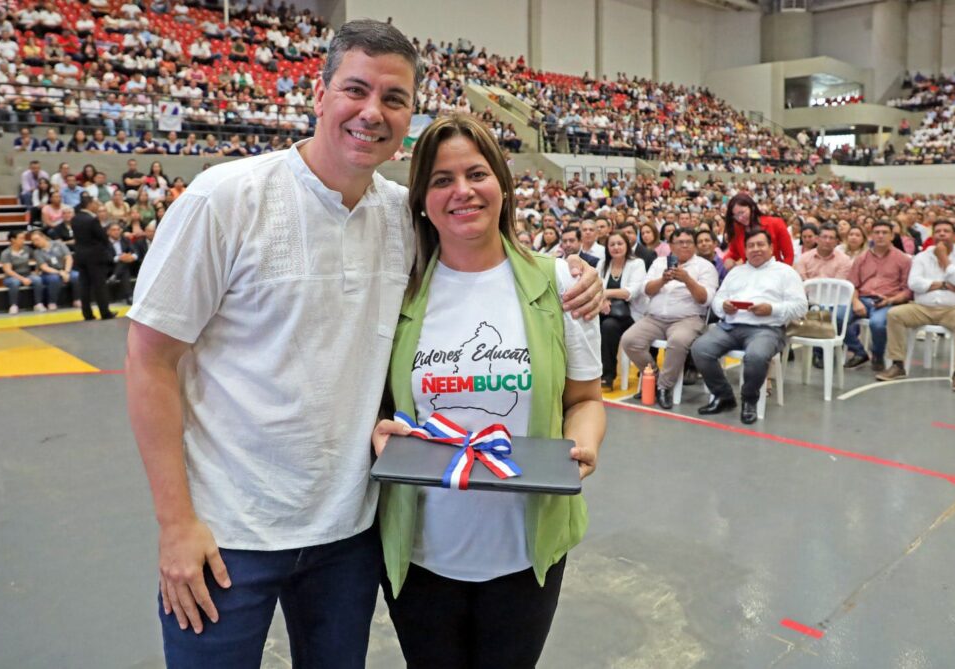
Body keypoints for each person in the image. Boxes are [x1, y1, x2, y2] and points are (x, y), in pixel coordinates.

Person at [124, 20, 602, 669]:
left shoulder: (402, 221)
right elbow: (150, 358)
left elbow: (480, 258)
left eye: (394, 98)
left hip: (349, 534)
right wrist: (175, 523)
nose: (372, 112)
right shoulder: (225, 199)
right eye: (356, 89)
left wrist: (577, 276)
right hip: (229, 531)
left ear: (408, 116)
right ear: (319, 95)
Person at [376, 112, 605, 669]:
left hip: (525, 551)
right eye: (441, 180)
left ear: (502, 184)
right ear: (422, 201)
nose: (462, 192)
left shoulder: (562, 284)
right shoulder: (393, 291)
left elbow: (586, 400)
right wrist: (377, 430)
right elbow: (374, 404)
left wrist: (582, 445)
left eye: (476, 174)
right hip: (422, 551)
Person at [691, 228, 807, 424]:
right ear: (745, 250)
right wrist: (724, 307)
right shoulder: (736, 272)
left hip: (767, 329)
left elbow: (801, 307)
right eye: (751, 246)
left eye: (761, 244)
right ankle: (724, 395)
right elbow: (718, 299)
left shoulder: (785, 272)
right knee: (700, 348)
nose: (756, 249)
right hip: (731, 326)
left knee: (756, 356)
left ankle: (749, 400)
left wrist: (772, 309)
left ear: (771, 248)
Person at [621, 227, 718, 410]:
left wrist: (688, 280)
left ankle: (664, 387)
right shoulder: (659, 263)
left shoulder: (705, 267)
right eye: (679, 242)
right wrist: (663, 280)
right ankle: (655, 377)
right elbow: (646, 290)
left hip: (687, 318)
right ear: (671, 245)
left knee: (678, 341)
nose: (684, 246)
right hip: (655, 317)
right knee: (629, 340)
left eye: (688, 242)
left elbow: (705, 299)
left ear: (695, 245)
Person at [876, 220, 955, 393]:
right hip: (923, 308)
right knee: (895, 314)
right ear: (933, 235)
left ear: (954, 235)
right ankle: (898, 364)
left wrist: (943, 259)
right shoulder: (922, 256)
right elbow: (914, 283)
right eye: (938, 231)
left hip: (954, 309)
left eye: (946, 231)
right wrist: (944, 285)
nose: (942, 234)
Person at [842, 219, 913, 371]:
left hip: (888, 301)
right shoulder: (862, 258)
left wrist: (891, 300)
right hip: (863, 299)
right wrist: (855, 301)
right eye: (877, 233)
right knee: (836, 317)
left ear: (892, 236)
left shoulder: (903, 259)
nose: (880, 236)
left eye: (884, 233)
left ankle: (877, 354)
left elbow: (908, 291)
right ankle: (859, 352)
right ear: (871, 236)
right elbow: (852, 284)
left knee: (877, 324)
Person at [598, 231, 645, 389]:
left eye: (620, 243)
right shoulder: (603, 264)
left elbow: (631, 292)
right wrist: (602, 300)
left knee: (608, 326)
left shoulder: (636, 264)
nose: (616, 247)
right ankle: (589, 372)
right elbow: (596, 288)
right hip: (604, 310)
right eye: (612, 244)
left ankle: (608, 375)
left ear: (627, 245)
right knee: (587, 323)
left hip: (630, 315)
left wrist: (605, 294)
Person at [70, 194, 115, 320]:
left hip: (80, 254)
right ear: (89, 204)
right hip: (95, 256)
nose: (96, 206)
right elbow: (102, 237)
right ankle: (105, 312)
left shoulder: (75, 219)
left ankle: (87, 313)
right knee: (99, 285)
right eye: (95, 203)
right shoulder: (92, 220)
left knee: (84, 285)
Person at [721, 193, 793, 269]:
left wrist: (783, 273)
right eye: (736, 215)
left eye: (742, 213)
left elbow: (789, 255)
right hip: (750, 274)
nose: (740, 218)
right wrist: (727, 259)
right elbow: (733, 252)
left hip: (775, 271)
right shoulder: (737, 229)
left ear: (752, 207)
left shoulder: (775, 223)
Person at [30, 229, 81, 310]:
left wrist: (66, 271)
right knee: (54, 279)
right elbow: (44, 267)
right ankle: (52, 302)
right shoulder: (37, 252)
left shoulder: (58, 244)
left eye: (37, 239)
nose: (35, 242)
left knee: (76, 276)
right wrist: (60, 273)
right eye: (33, 241)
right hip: (49, 273)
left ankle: (77, 299)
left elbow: (68, 258)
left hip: (65, 269)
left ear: (43, 237)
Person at [1, 230, 46, 313]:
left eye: (24, 238)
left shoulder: (27, 249)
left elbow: (38, 259)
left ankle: (38, 304)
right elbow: (8, 270)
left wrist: (36, 271)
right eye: (21, 238)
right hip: (11, 277)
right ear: (13, 240)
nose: (23, 240)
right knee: (15, 282)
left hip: (27, 274)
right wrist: (22, 279)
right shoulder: (6, 253)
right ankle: (13, 305)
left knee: (38, 279)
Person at [107, 220, 139, 303]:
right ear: (108, 232)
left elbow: (135, 252)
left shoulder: (125, 240)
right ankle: (129, 297)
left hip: (125, 264)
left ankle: (114, 276)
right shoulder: (105, 242)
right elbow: (106, 258)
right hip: (110, 266)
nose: (117, 232)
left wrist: (131, 257)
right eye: (114, 230)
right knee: (124, 267)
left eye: (118, 229)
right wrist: (120, 258)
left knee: (124, 267)